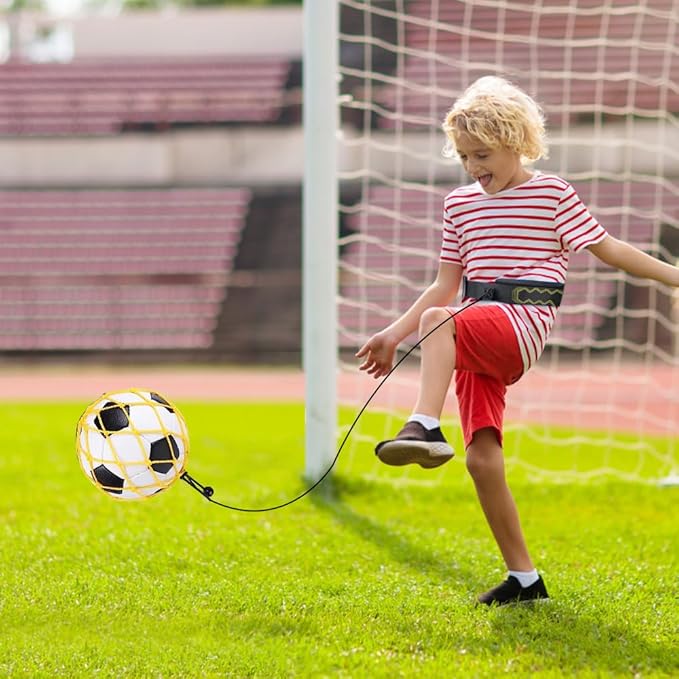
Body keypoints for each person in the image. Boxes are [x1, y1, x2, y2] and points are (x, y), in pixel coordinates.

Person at [355, 76, 679, 606]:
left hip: (522, 321)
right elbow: (444, 284)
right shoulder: (458, 204)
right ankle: (525, 582)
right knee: (481, 460)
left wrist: (676, 277)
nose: (473, 167)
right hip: (469, 328)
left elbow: (612, 250)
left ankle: (424, 425)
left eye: (482, 154)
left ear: (516, 142)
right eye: (463, 157)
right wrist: (393, 333)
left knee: (443, 318)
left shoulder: (552, 193)